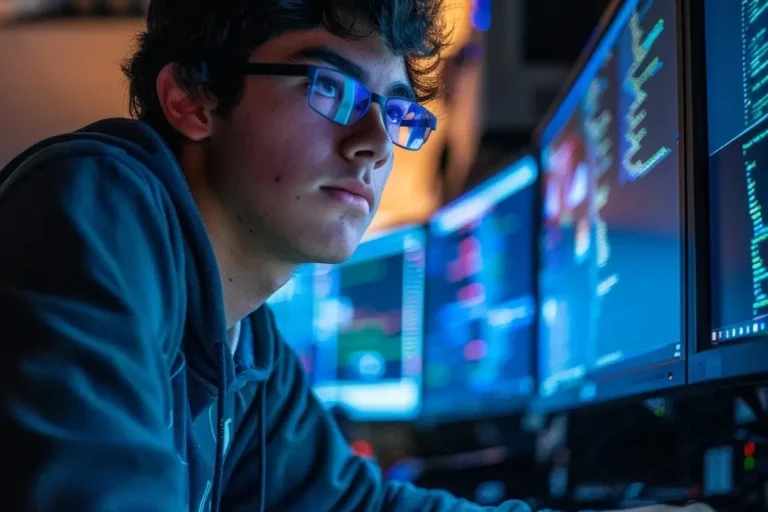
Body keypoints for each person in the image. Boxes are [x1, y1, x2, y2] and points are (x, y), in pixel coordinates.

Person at [0, 1, 717, 512]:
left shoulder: (245, 341)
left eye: (397, 110)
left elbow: (355, 502)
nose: (374, 143)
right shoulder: (97, 204)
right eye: (332, 87)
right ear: (191, 97)